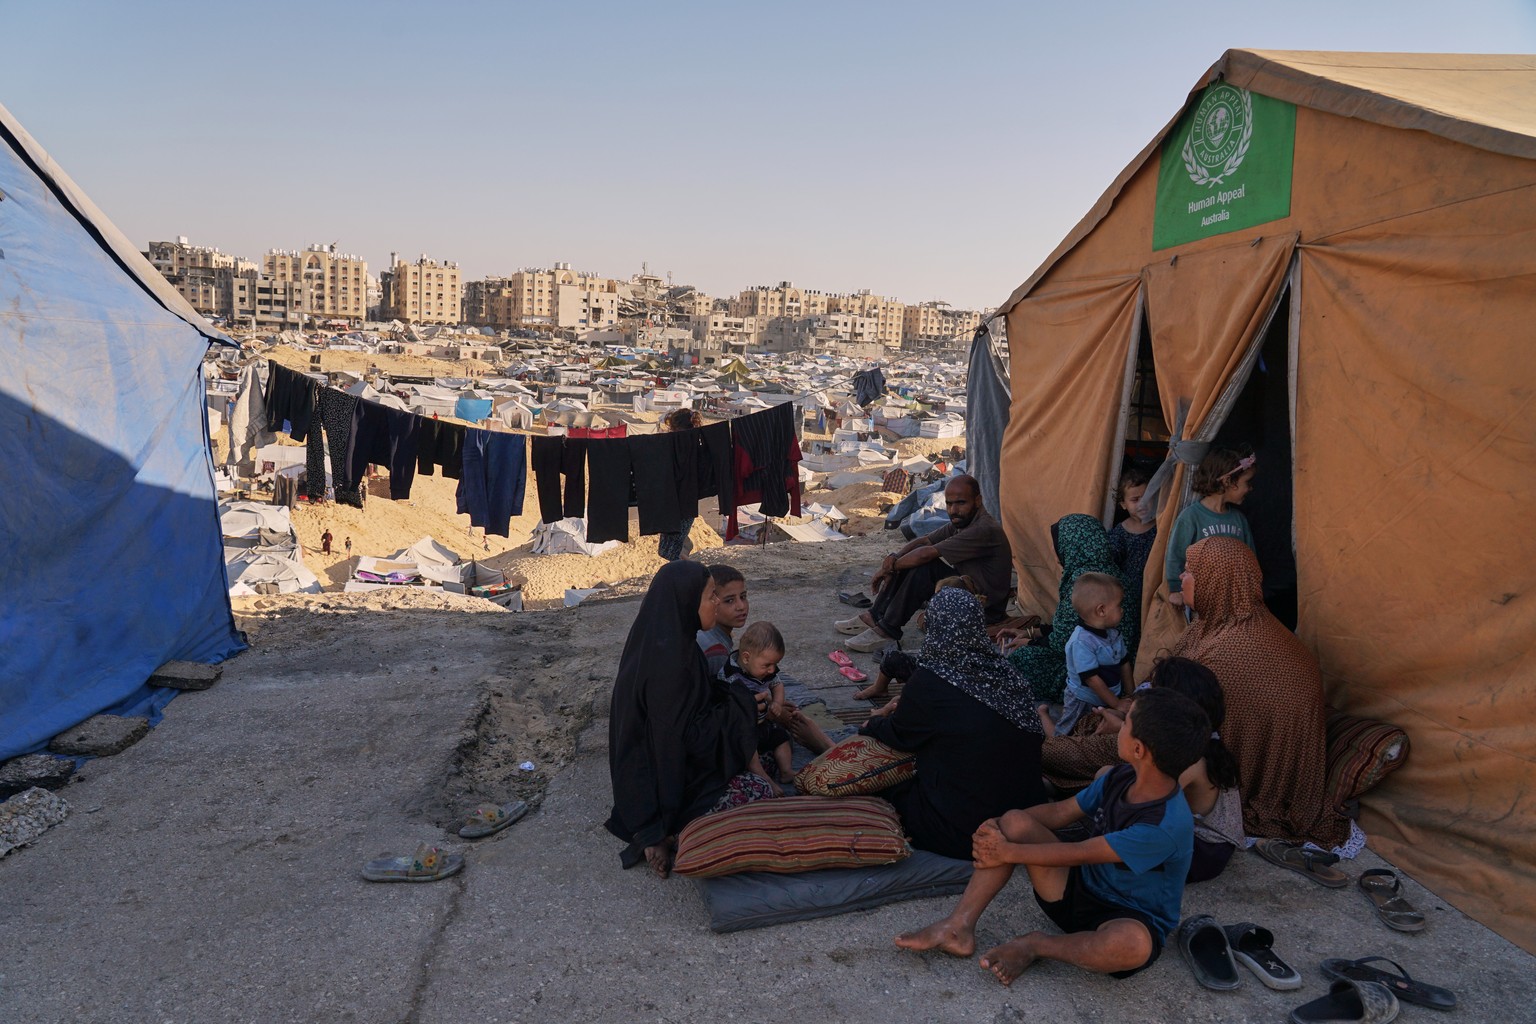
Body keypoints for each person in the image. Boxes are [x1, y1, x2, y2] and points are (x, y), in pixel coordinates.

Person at [895, 687, 1210, 986]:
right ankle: (958, 927)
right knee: (1016, 822)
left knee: (1132, 946)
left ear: (1139, 749)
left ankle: (1037, 945)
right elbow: (1061, 812)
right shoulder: (1121, 776)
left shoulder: (1165, 825)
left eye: (1126, 721)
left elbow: (1083, 852)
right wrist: (996, 825)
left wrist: (1008, 852)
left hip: (1129, 919)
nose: (1119, 723)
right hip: (1075, 889)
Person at [1172, 536, 1349, 848]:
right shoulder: (1219, 627)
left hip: (1250, 783)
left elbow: (1171, 727)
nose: (1181, 578)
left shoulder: (1230, 649)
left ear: (1216, 582)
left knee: (1094, 763)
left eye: (1189, 572)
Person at [859, 589, 1049, 860]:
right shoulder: (1007, 673)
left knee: (892, 788)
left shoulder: (929, 681)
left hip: (965, 831)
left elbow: (899, 735)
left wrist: (873, 723)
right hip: (1027, 819)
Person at [605, 561, 765, 878]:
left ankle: (659, 832)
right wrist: (741, 706)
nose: (717, 604)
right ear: (687, 601)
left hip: (636, 778)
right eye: (711, 597)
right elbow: (683, 743)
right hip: (661, 788)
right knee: (757, 788)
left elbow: (695, 702)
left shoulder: (663, 638)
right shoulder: (672, 665)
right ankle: (665, 832)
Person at [836, 475, 1011, 653]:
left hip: (984, 609)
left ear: (978, 500)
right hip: (969, 592)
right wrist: (894, 557)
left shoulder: (983, 529)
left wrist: (889, 568)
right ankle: (874, 616)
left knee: (923, 567)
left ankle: (888, 631)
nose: (953, 510)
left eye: (960, 503)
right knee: (908, 561)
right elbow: (924, 541)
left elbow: (926, 554)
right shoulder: (963, 522)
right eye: (949, 504)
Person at [1006, 514, 1136, 705]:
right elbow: (1076, 624)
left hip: (1099, 674)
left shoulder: (1083, 581)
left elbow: (1063, 642)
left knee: (1022, 659)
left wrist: (1029, 643)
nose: (1057, 554)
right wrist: (1031, 632)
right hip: (1118, 664)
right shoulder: (1115, 576)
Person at [852, 575, 980, 703]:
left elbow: (939, 669)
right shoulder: (946, 622)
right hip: (933, 672)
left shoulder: (962, 631)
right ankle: (879, 688)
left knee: (916, 687)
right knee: (892, 657)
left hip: (948, 682)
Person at [1041, 573, 1132, 737]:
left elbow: (1124, 663)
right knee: (1063, 737)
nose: (1122, 609)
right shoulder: (1081, 642)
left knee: (1093, 733)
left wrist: (1132, 695)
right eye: (1119, 605)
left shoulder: (1113, 635)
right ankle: (1043, 715)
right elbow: (1092, 679)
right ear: (1102, 610)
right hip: (1082, 700)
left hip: (1109, 696)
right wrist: (1117, 703)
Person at [1165, 447, 1256, 610]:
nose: (1250, 488)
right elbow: (1176, 555)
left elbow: (1250, 560)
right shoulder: (1191, 517)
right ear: (1228, 481)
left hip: (1234, 601)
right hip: (1200, 600)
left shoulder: (1239, 520)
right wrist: (1176, 589)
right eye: (1247, 483)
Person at [719, 621, 794, 782]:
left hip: (763, 723)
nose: (772, 670)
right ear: (746, 658)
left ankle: (786, 771)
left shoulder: (766, 671)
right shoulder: (730, 675)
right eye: (767, 665)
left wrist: (777, 703)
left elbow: (777, 684)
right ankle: (764, 777)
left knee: (782, 737)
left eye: (775, 664)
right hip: (743, 728)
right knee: (747, 747)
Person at [1107, 463, 1156, 629]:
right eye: (1135, 500)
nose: (1142, 504)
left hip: (1155, 591)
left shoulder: (1162, 527)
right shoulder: (1120, 533)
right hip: (1129, 597)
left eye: (1147, 497)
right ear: (1123, 504)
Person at [657, 408, 703, 562]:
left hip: (679, 501)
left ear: (676, 428)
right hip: (683, 500)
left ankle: (688, 570)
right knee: (667, 549)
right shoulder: (699, 444)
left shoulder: (674, 444)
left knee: (670, 550)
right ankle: (685, 555)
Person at [696, 564, 748, 675]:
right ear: (712, 601)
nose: (741, 606)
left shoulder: (703, 633)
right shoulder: (715, 651)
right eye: (729, 601)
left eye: (743, 597)